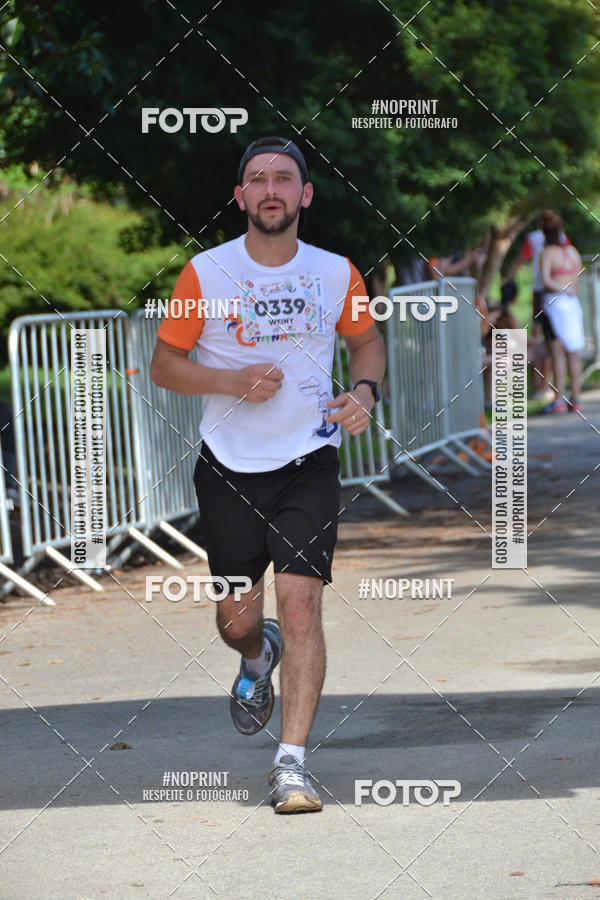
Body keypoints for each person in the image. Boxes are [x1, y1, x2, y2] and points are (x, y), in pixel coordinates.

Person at [150, 136, 385, 813]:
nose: (271, 188)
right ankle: (257, 657)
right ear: (240, 196)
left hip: (308, 461)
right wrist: (230, 380)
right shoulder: (205, 274)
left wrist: (364, 393)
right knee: (236, 619)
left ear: (305, 194)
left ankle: (292, 765)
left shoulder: (337, 273)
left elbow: (366, 342)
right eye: (258, 179)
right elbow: (165, 364)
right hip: (228, 465)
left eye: (284, 178)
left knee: (302, 601)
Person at [507, 210, 570, 400]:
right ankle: (546, 385)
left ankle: (540, 385)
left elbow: (520, 260)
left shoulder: (533, 238)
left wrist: (508, 280)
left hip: (539, 290)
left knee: (541, 337)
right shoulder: (562, 238)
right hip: (558, 291)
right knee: (553, 340)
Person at [539, 214, 584, 413]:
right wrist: (569, 290)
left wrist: (560, 289)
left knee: (557, 354)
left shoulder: (547, 253)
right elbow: (578, 280)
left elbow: (545, 280)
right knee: (574, 353)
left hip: (554, 304)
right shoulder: (573, 252)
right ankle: (576, 398)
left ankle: (558, 400)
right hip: (572, 304)